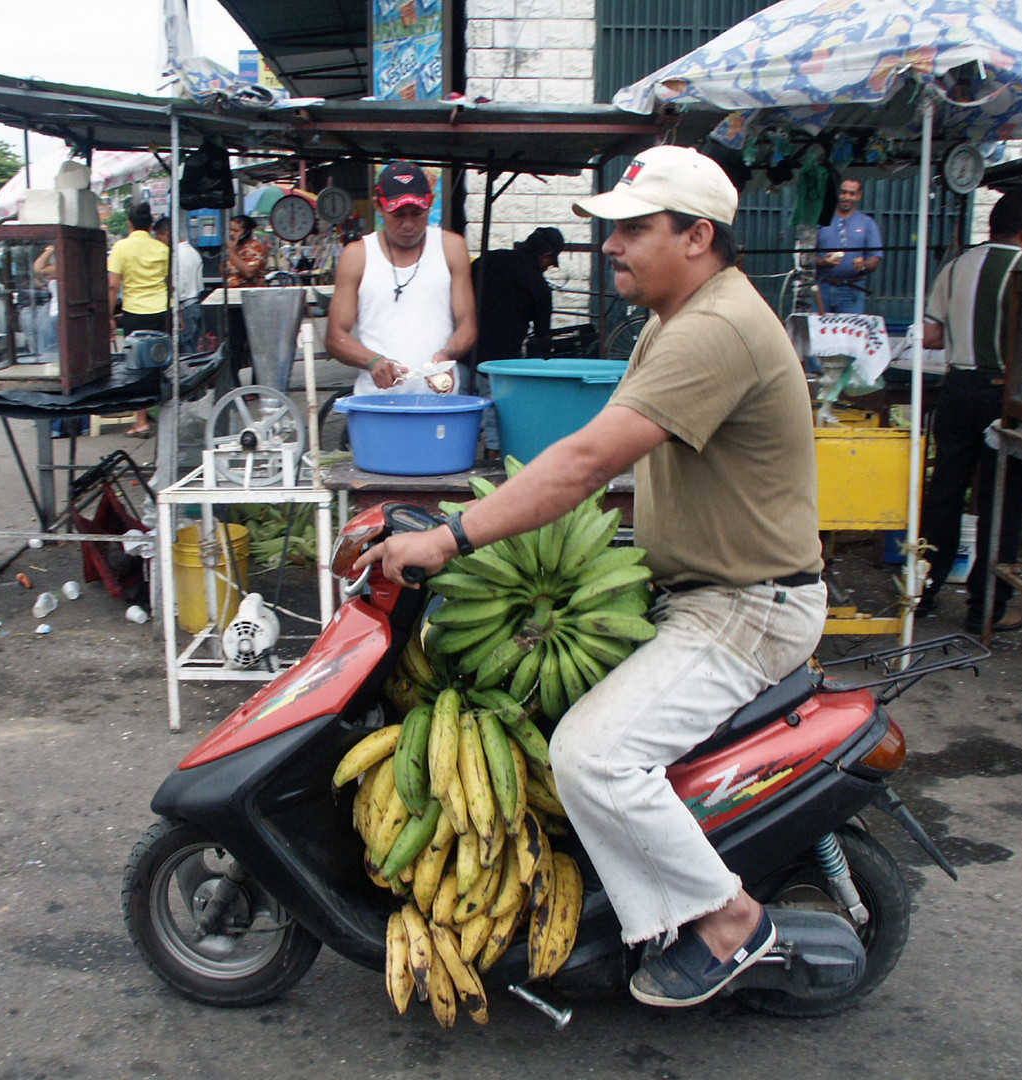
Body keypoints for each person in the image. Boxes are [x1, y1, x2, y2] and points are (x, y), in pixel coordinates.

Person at [355, 145, 826, 1007]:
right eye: (610, 229)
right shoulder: (672, 321)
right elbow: (605, 447)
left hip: (744, 609)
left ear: (698, 236)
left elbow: (582, 464)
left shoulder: (717, 328)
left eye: (634, 229)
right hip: (695, 592)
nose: (610, 246)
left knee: (591, 756)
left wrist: (456, 535)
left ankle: (729, 921)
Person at [917, 187, 1022, 635]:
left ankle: (922, 592)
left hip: (956, 389)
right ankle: (985, 609)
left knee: (946, 493)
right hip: (1003, 397)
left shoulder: (954, 267)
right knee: (1002, 502)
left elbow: (932, 338)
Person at [325, 160, 476, 396]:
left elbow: (467, 325)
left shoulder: (451, 247)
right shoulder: (357, 256)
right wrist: (372, 361)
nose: (408, 225)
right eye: (398, 214)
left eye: (417, 213)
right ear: (378, 206)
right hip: (376, 403)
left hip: (438, 402)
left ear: (431, 204)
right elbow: (335, 337)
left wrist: (447, 354)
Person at [468, 226, 565, 453]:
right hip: (499, 362)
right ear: (546, 256)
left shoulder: (487, 260)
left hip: (463, 351)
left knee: (462, 414)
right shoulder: (538, 286)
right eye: (550, 263)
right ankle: (492, 459)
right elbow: (542, 335)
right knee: (496, 419)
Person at [107, 201, 169, 438]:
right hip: (162, 311)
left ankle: (141, 421)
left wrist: (109, 316)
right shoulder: (162, 249)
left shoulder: (121, 247)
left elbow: (113, 285)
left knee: (138, 366)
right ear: (151, 225)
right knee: (162, 364)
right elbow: (169, 284)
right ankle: (167, 416)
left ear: (130, 223)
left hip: (136, 313)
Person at [814, 178, 883, 313]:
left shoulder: (867, 223)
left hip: (853, 290)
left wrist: (863, 265)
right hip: (822, 288)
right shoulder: (820, 220)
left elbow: (875, 258)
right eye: (843, 192)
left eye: (852, 194)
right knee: (819, 333)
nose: (847, 197)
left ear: (859, 195)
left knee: (850, 333)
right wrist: (823, 262)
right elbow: (804, 255)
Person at [222, 214, 268, 382]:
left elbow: (249, 271)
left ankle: (258, 384)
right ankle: (235, 384)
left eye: (236, 230)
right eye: (230, 230)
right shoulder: (230, 247)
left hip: (253, 301)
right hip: (233, 302)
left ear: (245, 231)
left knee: (256, 345)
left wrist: (233, 254)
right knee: (234, 345)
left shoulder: (256, 247)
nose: (232, 234)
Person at [154, 217, 205, 355]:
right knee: (192, 349)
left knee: (185, 353)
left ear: (166, 233)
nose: (160, 243)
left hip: (185, 309)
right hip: (195, 304)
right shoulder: (192, 251)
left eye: (160, 238)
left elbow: (177, 289)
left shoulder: (177, 255)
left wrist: (178, 313)